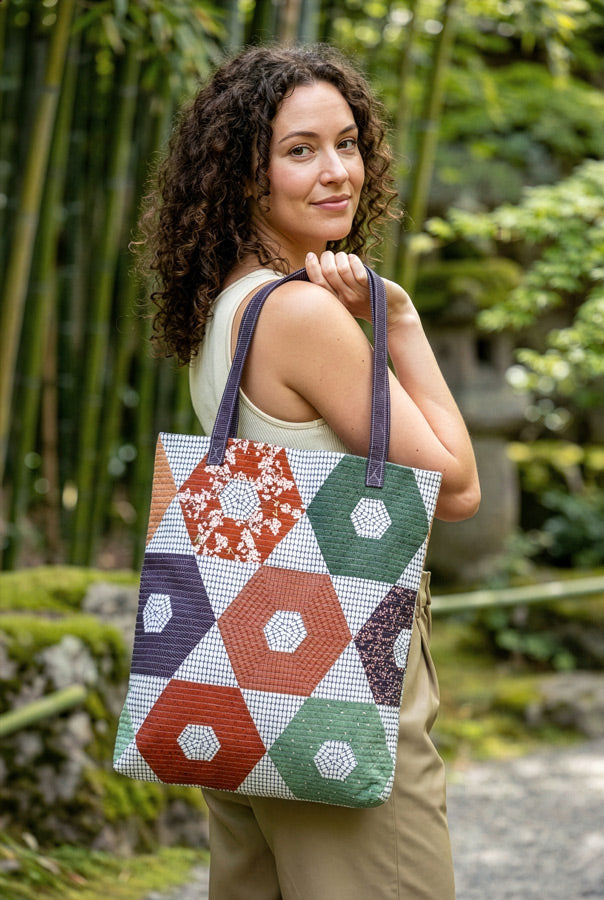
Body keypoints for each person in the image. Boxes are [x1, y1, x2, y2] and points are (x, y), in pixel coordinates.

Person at [138, 43, 480, 900]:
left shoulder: (231, 305)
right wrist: (396, 321)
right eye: (300, 150)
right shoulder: (301, 315)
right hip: (338, 679)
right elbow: (459, 488)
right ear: (242, 176)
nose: (338, 172)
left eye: (349, 142)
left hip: (239, 674)